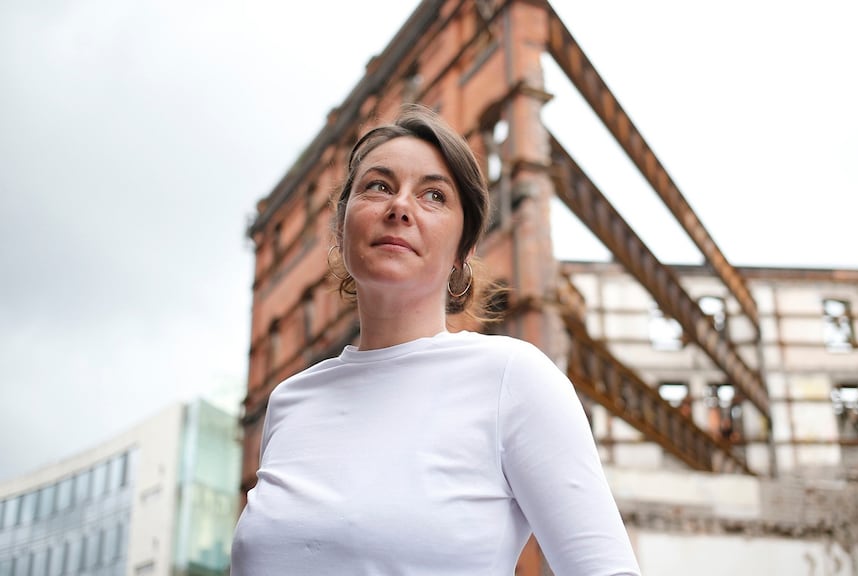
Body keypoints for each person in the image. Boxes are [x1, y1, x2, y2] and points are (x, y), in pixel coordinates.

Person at [230, 104, 641, 575]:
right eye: (378, 186)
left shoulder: (514, 379)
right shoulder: (290, 402)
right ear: (342, 227)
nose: (399, 207)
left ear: (462, 251)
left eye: (433, 196)